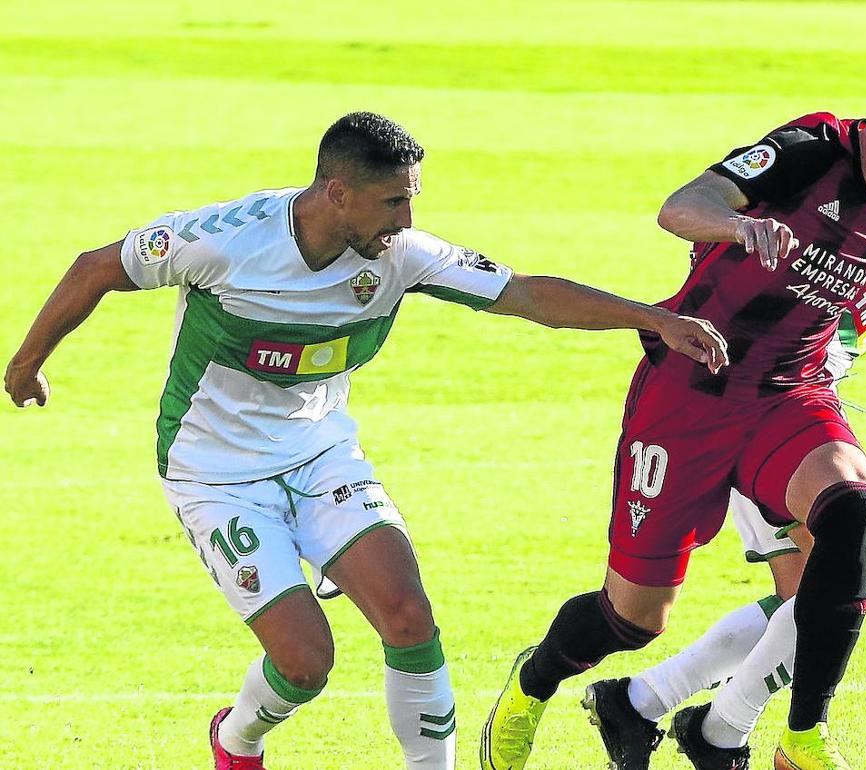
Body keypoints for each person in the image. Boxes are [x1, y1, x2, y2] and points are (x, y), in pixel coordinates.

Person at [3, 111, 729, 770]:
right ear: (337, 192)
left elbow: (529, 295)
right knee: (307, 663)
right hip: (214, 472)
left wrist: (652, 317)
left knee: (409, 617)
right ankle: (238, 739)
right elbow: (97, 266)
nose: (406, 218)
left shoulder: (403, 255)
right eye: (393, 201)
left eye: (411, 198)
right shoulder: (222, 242)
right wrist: (28, 363)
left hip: (321, 457)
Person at [482, 60, 866, 770]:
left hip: (789, 392)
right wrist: (736, 228)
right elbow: (680, 206)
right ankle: (533, 688)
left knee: (850, 510)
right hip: (693, 388)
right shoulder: (812, 149)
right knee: (632, 617)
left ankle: (799, 738)